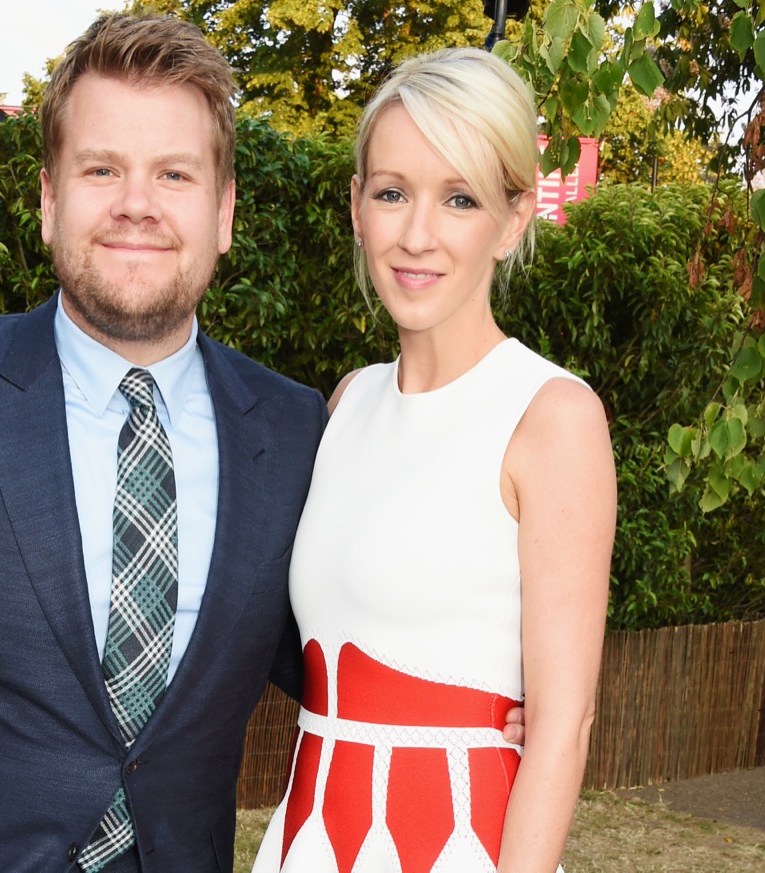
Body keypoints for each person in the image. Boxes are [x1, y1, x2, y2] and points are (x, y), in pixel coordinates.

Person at [0, 13, 527, 872]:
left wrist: (489, 689)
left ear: (223, 211)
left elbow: (335, 619)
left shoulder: (290, 430)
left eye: (175, 173)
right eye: (102, 169)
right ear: (50, 199)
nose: (137, 203)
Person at [252, 48, 617, 873]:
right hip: (308, 841)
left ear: (515, 216)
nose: (417, 234)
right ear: (357, 206)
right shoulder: (346, 403)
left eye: (459, 198)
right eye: (392, 192)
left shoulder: (552, 417)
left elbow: (565, 725)